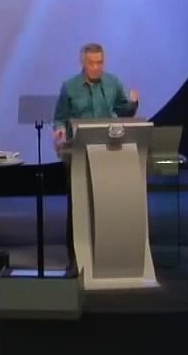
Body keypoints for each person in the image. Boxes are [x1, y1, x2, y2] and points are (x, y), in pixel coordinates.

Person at [51, 42, 140, 272]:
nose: (96, 67)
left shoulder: (112, 83)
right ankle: (75, 257)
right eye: (91, 63)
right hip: (77, 154)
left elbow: (123, 111)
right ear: (83, 62)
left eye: (100, 62)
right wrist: (59, 130)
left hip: (107, 153)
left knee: (105, 202)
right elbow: (59, 117)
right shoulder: (69, 87)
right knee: (77, 205)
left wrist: (133, 103)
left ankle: (104, 253)